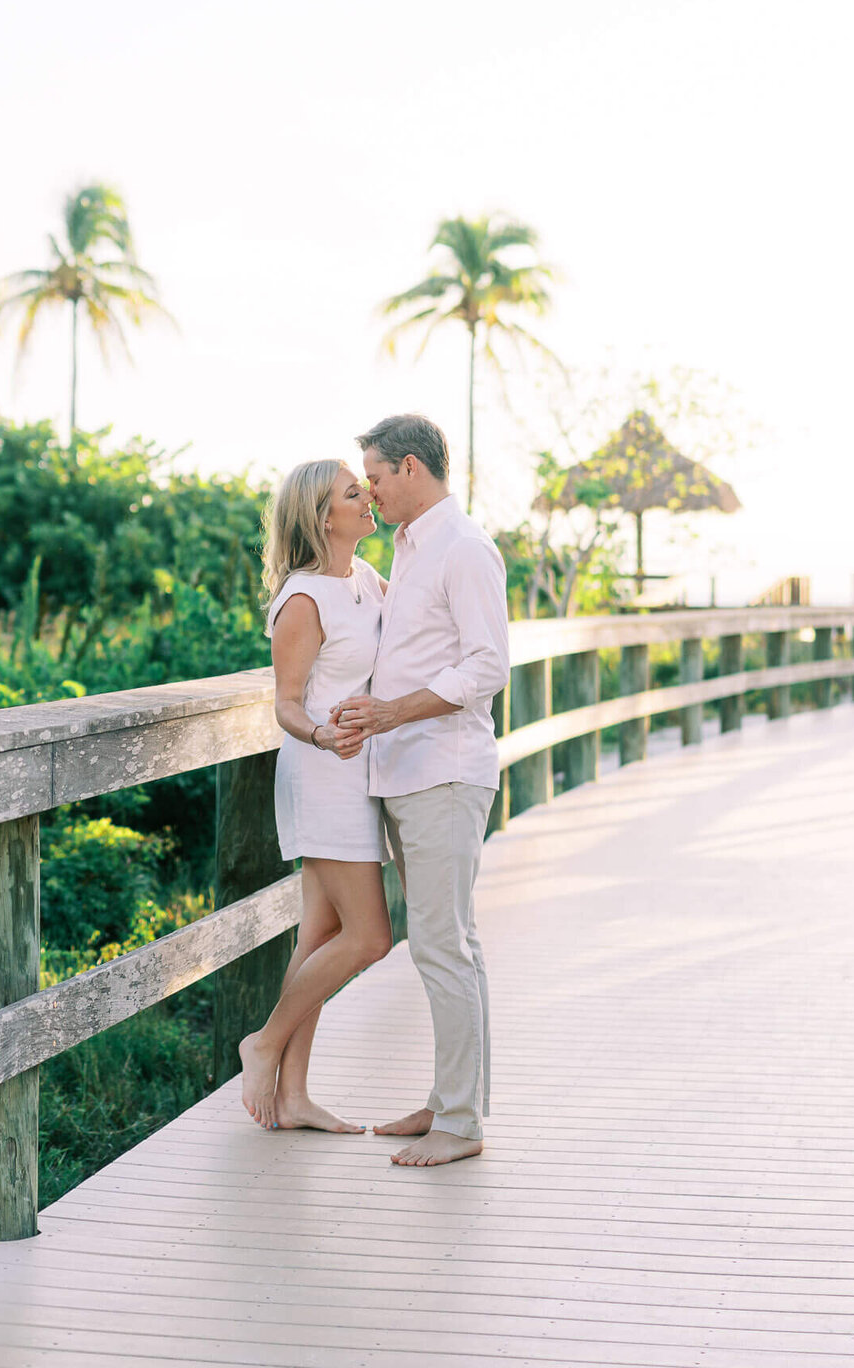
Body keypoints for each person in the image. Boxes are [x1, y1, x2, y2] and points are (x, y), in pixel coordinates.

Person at [334, 413, 509, 1167]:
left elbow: (487, 666)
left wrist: (392, 712)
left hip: (443, 769)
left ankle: (462, 1124)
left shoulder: (464, 549)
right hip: (406, 772)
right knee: (443, 945)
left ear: (409, 468)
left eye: (373, 475)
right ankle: (447, 1101)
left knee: (445, 947)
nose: (368, 490)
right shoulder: (408, 549)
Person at [238, 458, 393, 1133]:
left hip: (360, 773)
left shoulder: (365, 579)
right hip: (324, 774)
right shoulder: (303, 599)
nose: (370, 499)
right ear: (322, 516)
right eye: (353, 493)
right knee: (370, 938)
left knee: (322, 936)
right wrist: (324, 738)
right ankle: (264, 1042)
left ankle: (294, 1095)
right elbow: (288, 704)